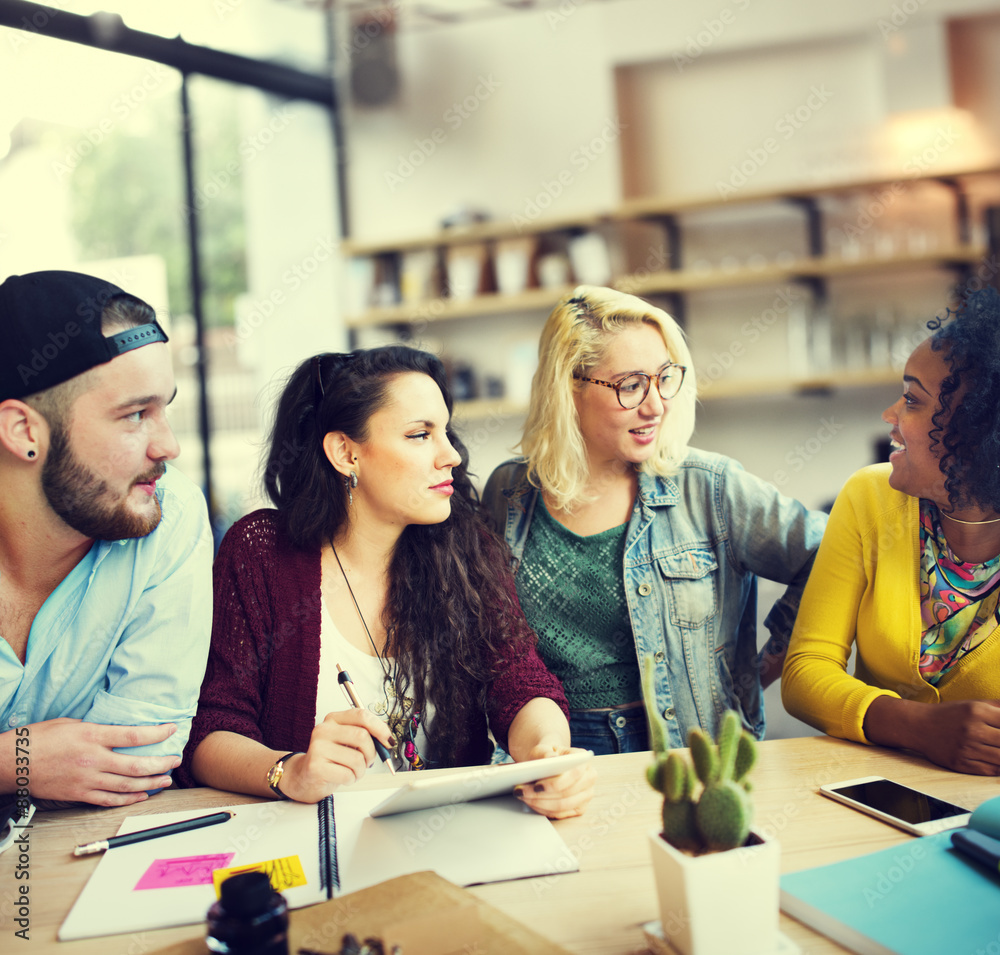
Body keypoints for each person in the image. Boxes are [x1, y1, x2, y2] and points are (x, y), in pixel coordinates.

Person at [179, 345, 594, 818]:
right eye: (420, 435)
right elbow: (210, 731)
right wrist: (290, 771)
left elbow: (519, 683)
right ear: (345, 453)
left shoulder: (465, 546)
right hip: (312, 844)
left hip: (447, 837)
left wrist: (548, 754)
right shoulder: (260, 552)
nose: (452, 456)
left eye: (446, 432)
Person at [483, 286, 827, 754]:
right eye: (630, 386)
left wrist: (755, 671)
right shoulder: (510, 492)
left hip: (684, 750)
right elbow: (495, 641)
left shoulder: (710, 486)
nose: (656, 405)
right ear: (569, 388)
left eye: (664, 378)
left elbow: (831, 554)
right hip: (553, 750)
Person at [0, 270, 212, 807]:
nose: (168, 446)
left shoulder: (170, 510)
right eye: (136, 415)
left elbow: (138, 762)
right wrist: (16, 763)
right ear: (24, 432)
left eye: (166, 408)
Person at [782, 286, 1000, 776]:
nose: (890, 417)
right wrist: (919, 726)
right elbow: (805, 672)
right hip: (880, 795)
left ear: (978, 434)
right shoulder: (870, 497)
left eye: (911, 401)